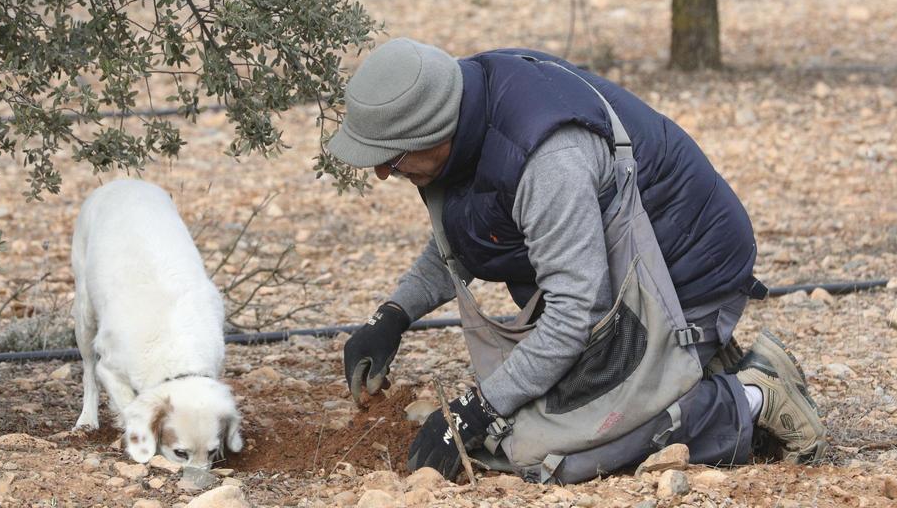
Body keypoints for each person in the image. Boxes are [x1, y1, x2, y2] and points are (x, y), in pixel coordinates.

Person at [329, 38, 827, 483]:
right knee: (525, 416)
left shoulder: (547, 159)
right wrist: (392, 316)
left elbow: (575, 314)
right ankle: (690, 364)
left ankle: (752, 396)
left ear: (435, 131)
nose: (379, 174)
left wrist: (474, 411)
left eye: (391, 160)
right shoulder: (467, 108)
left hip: (684, 278)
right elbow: (471, 233)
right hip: (619, 279)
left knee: (546, 454)